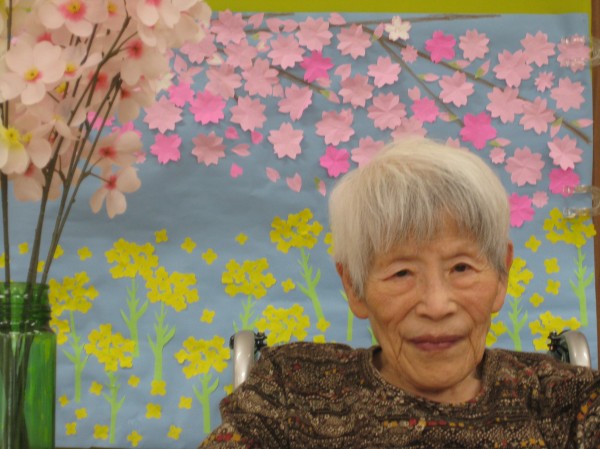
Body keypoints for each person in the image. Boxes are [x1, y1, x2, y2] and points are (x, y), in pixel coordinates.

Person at [199, 136, 600, 448]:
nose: (437, 305)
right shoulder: (291, 389)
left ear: (501, 275)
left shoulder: (564, 402)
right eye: (402, 273)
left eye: (461, 267)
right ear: (354, 287)